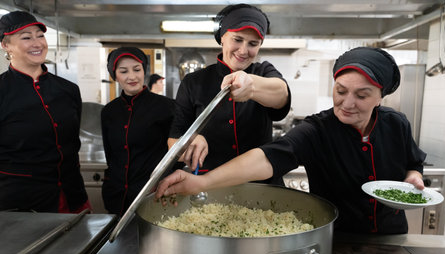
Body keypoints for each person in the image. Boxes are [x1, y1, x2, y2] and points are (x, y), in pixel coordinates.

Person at [156, 47, 427, 235]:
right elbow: (267, 158)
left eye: (362, 95)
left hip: (393, 235)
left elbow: (414, 164)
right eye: (341, 91)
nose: (347, 103)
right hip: (338, 238)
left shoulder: (396, 124)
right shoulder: (318, 130)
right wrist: (202, 182)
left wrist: (414, 177)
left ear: (381, 96)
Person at [168, 3, 291, 185]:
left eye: (253, 44)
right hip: (211, 186)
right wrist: (190, 141)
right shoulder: (194, 82)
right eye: (237, 39)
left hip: (261, 185)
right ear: (222, 37)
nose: (243, 50)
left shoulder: (263, 71)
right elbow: (174, 139)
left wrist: (252, 85)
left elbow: (281, 93)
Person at [0, 11, 90, 213]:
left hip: (72, 196)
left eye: (40, 35)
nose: (37, 43)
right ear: (6, 45)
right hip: (20, 206)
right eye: (26, 37)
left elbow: (72, 144)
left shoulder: (68, 90)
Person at [101, 47, 174, 215]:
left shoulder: (167, 107)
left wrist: (162, 182)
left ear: (144, 71)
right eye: (123, 71)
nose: (132, 76)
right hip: (117, 197)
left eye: (137, 69)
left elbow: (175, 155)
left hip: (152, 196)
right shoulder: (109, 111)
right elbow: (110, 156)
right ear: (115, 75)